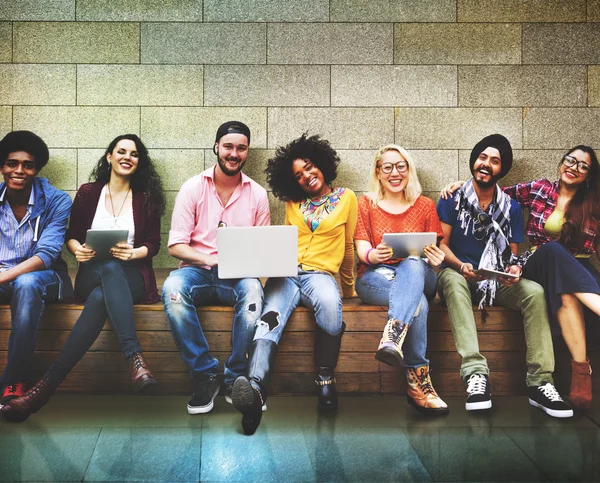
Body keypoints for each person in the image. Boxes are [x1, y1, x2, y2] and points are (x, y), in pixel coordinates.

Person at [1, 134, 165, 422]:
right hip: (91, 272)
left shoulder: (146, 198)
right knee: (106, 272)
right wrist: (78, 250)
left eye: (135, 154)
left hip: (132, 276)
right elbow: (71, 236)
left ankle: (42, 390)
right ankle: (134, 358)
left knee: (106, 288)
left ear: (140, 162)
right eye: (121, 151)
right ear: (109, 157)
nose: (128, 157)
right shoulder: (89, 193)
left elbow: (153, 244)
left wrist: (134, 252)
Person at [442, 145, 600, 409]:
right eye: (570, 161)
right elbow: (496, 192)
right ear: (561, 163)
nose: (574, 167)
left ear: (589, 174)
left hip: (577, 271)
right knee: (552, 249)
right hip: (540, 261)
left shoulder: (594, 202)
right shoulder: (539, 189)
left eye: (582, 166)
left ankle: (574, 373)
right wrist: (463, 184)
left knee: (562, 292)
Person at [232, 133, 357, 435]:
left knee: (330, 304)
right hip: (286, 273)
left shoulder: (347, 198)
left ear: (323, 165)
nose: (306, 177)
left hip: (320, 275)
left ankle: (325, 378)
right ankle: (255, 388)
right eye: (298, 176)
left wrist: (350, 287)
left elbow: (349, 245)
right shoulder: (293, 203)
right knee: (268, 319)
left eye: (310, 167)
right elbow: (284, 242)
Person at [162, 121, 269, 415]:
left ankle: (235, 376)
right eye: (228, 147)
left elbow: (262, 249)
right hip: (196, 272)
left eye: (241, 148)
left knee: (252, 291)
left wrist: (252, 263)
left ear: (247, 152)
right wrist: (210, 259)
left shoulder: (257, 194)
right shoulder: (193, 187)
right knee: (172, 288)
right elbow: (175, 246)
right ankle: (205, 374)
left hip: (236, 277)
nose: (234, 153)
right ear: (216, 147)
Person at [354, 144, 448, 414]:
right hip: (376, 277)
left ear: (409, 170)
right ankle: (419, 382)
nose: (395, 173)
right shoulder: (366, 204)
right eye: (388, 167)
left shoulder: (425, 205)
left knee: (413, 262)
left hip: (421, 275)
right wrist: (374, 255)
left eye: (401, 166)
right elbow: (362, 251)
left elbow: (434, 250)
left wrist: (436, 260)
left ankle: (393, 337)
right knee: (416, 301)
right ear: (378, 172)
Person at [0, 131, 73, 408]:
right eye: (11, 163)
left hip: (45, 278)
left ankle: (14, 380)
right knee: (21, 283)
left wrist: (4, 276)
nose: (19, 170)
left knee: (27, 283)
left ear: (37, 169)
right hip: (4, 277)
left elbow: (46, 254)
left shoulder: (57, 200)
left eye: (27, 165)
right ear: (2, 166)